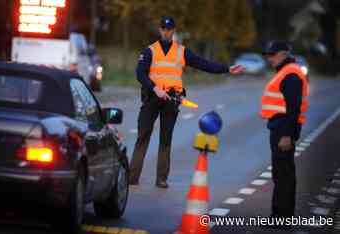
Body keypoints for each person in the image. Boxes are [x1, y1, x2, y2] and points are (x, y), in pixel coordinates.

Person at [129, 16, 244, 188]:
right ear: (160, 30)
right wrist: (155, 88)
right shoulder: (149, 51)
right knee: (143, 136)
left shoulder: (181, 51)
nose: (166, 32)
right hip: (153, 98)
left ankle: (161, 179)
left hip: (172, 99)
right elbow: (140, 73)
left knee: (165, 139)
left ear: (173, 30)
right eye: (163, 29)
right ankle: (132, 177)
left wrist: (226, 69)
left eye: (169, 29)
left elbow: (203, 64)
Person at [260, 41, 309, 220]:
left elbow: (293, 108)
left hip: (283, 128)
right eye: (267, 55)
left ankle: (281, 217)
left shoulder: (291, 75)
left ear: (284, 54)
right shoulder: (285, 72)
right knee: (281, 173)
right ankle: (280, 215)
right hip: (280, 127)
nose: (269, 58)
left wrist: (287, 135)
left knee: (283, 175)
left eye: (272, 55)